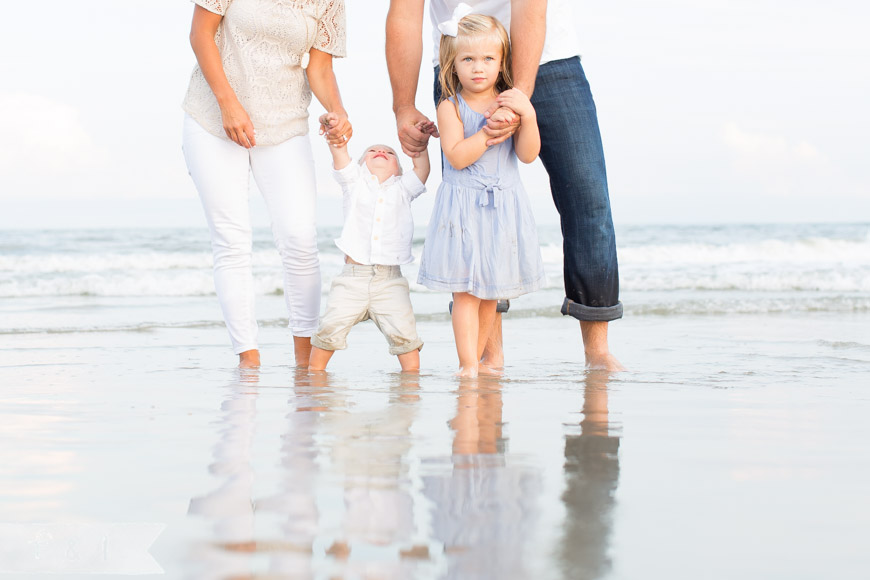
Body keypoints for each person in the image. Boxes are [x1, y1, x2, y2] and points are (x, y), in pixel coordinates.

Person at [386, 0, 625, 371]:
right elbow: (404, 14)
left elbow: (530, 7)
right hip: (461, 59)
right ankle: (487, 358)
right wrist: (403, 105)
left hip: (550, 59)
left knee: (587, 196)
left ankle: (597, 353)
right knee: (476, 208)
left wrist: (519, 98)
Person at [181, 0, 350, 368]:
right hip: (212, 117)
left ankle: (306, 363)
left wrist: (339, 112)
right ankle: (249, 360)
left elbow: (320, 68)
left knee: (300, 239)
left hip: (286, 122)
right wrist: (228, 103)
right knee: (232, 239)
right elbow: (200, 34)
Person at [416, 12, 545, 378]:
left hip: (502, 208)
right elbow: (456, 157)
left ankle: (478, 360)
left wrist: (527, 116)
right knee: (466, 294)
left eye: (488, 59)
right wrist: (488, 133)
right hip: (463, 208)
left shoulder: (511, 104)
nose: (478, 68)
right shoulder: (450, 106)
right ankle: (467, 364)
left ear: (502, 61)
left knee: (491, 292)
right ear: (451, 65)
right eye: (468, 59)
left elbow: (528, 154)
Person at [308, 113, 432, 372]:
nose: (380, 152)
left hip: (390, 281)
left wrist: (419, 143)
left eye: (389, 153)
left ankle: (411, 384)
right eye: (372, 151)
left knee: (405, 336)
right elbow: (341, 155)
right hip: (352, 278)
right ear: (361, 165)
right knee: (330, 329)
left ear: (398, 169)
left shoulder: (403, 189)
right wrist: (335, 137)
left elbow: (421, 168)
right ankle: (314, 377)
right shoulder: (355, 183)